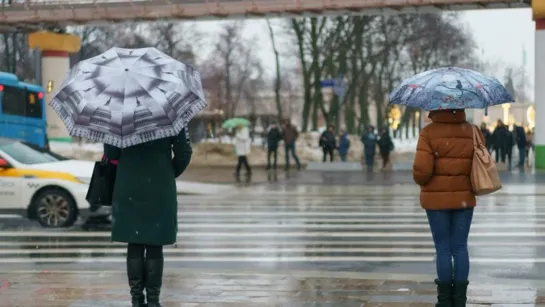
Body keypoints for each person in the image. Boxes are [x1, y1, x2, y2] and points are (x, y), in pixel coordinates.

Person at [104, 128, 192, 307]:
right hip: (159, 185)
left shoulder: (120, 114)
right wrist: (166, 171)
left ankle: (136, 299)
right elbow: (184, 152)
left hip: (128, 184)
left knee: (134, 243)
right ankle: (153, 300)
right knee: (154, 243)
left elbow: (111, 153)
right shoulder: (169, 114)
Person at [413, 109, 479, 307]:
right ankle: (459, 300)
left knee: (443, 249)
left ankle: (444, 301)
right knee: (460, 247)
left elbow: (421, 173)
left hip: (436, 201)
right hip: (464, 199)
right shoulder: (472, 131)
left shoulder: (428, 133)